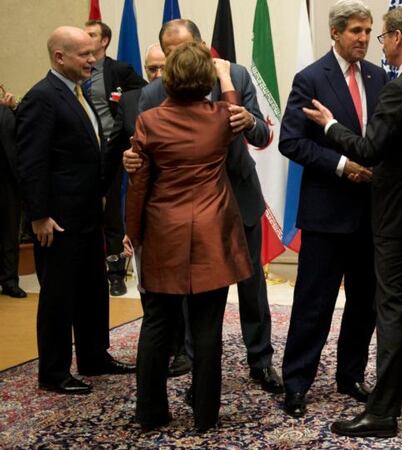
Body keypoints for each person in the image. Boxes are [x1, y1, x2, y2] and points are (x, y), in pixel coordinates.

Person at [302, 5, 402, 437]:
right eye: (359, 32)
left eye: (376, 34)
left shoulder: (396, 86)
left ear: (396, 38)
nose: (370, 40)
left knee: (390, 310)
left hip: (394, 218)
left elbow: (368, 148)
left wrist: (328, 126)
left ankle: (382, 411)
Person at [124, 19, 283, 393]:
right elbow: (142, 150)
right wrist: (128, 159)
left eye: (180, 48)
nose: (173, 57)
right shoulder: (154, 91)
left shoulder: (237, 76)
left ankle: (260, 360)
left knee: (252, 287)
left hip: (238, 196)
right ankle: (197, 368)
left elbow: (263, 133)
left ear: (200, 45)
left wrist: (249, 123)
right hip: (186, 210)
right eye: (167, 49)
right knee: (195, 293)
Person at [126, 42, 252, 432]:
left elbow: (139, 186)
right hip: (213, 232)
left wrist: (132, 235)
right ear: (204, 80)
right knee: (207, 327)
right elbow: (235, 111)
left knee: (157, 324)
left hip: (164, 231)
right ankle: (205, 416)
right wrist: (227, 79)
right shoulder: (221, 117)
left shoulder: (148, 121)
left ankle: (150, 413)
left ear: (168, 78)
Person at [278, 0, 386, 418]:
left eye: (367, 30)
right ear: (336, 33)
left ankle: (350, 375)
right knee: (314, 303)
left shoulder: (379, 77)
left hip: (371, 214)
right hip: (327, 213)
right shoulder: (311, 79)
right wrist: (342, 165)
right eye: (356, 31)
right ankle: (297, 383)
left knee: (365, 302)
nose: (363, 38)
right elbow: (291, 141)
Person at [16, 26, 135, 396]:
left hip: (86, 214)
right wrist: (38, 216)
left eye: (93, 52)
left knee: (92, 289)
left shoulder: (77, 94)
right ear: (59, 58)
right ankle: (53, 372)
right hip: (57, 220)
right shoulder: (42, 98)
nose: (92, 59)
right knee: (58, 296)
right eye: (84, 54)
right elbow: (30, 163)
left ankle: (94, 356)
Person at [110, 44, 190, 378]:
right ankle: (164, 355)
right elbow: (118, 152)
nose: (156, 75)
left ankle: (184, 351)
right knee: (155, 300)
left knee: (186, 293)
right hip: (150, 211)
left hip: (187, 213)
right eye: (150, 68)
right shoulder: (132, 100)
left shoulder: (198, 101)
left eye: (162, 67)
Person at [84, 19, 147, 297]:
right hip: (83, 154)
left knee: (112, 216)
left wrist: (122, 110)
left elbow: (147, 94)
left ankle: (116, 275)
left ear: (104, 41)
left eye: (92, 35)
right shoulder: (78, 70)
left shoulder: (118, 70)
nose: (86, 38)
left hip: (113, 149)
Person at [0, 86, 26, 299]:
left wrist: (14, 108)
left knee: (10, 231)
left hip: (9, 179)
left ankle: (10, 280)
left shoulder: (8, 108)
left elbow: (26, 129)